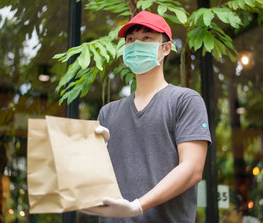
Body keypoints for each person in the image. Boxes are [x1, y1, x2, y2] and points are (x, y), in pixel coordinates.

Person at [81, 11, 211, 222]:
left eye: (146, 38)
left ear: (166, 48)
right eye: (130, 39)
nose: (136, 45)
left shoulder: (185, 101)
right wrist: (92, 153)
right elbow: (91, 180)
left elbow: (192, 169)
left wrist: (137, 207)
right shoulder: (108, 112)